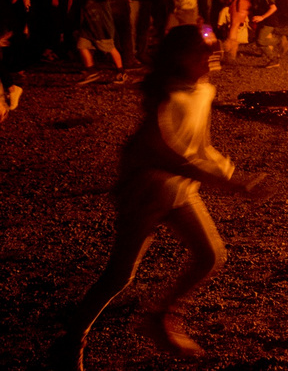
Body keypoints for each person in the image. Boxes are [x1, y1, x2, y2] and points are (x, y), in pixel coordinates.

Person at [55, 26, 266, 369]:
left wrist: (232, 174)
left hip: (180, 188)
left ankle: (161, 317)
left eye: (212, 48)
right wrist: (224, 183)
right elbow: (166, 154)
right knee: (119, 275)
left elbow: (199, 145)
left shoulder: (203, 89)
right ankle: (72, 338)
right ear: (180, 57)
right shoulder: (166, 96)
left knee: (210, 256)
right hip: (147, 190)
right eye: (203, 50)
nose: (211, 55)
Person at [72, 0, 126, 86]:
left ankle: (121, 71)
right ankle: (91, 71)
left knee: (109, 47)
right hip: (89, 26)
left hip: (102, 27)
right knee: (81, 45)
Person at [246, 0, 287, 67]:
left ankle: (279, 41)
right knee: (259, 42)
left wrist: (262, 17)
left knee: (260, 41)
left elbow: (273, 7)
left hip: (269, 21)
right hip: (262, 22)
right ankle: (273, 60)